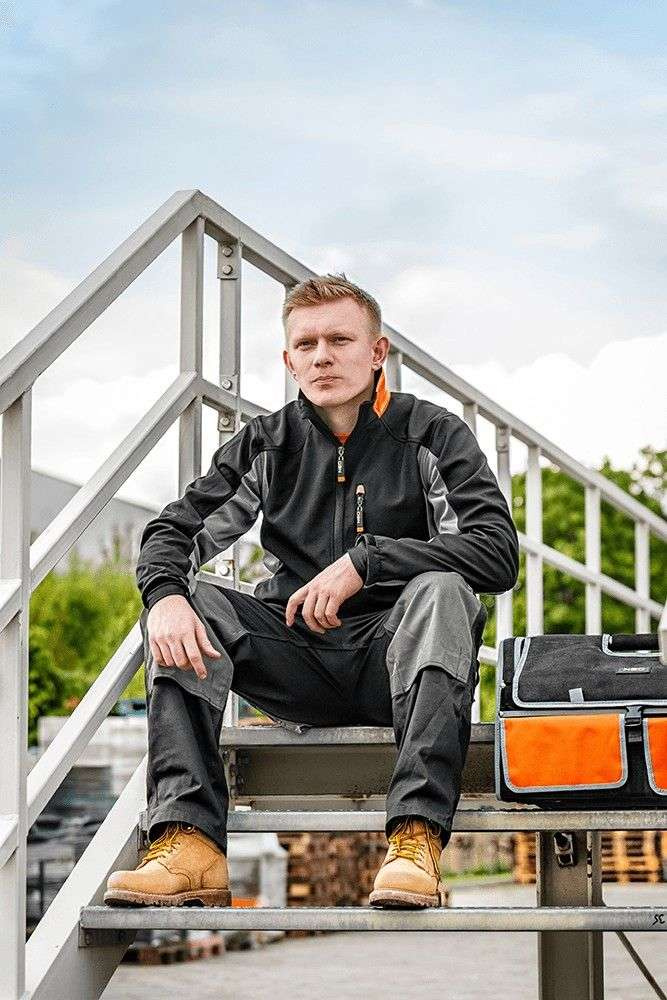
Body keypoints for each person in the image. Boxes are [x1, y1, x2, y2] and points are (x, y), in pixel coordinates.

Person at [105, 273, 519, 910]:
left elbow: (495, 552)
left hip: (396, 663)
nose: (322, 356)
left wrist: (368, 563)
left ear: (377, 352)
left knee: (444, 591)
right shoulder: (266, 442)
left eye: (339, 340)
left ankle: (415, 842)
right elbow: (173, 530)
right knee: (191, 602)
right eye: (307, 344)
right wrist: (164, 596)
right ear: (289, 359)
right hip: (295, 659)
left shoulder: (432, 433)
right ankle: (189, 843)